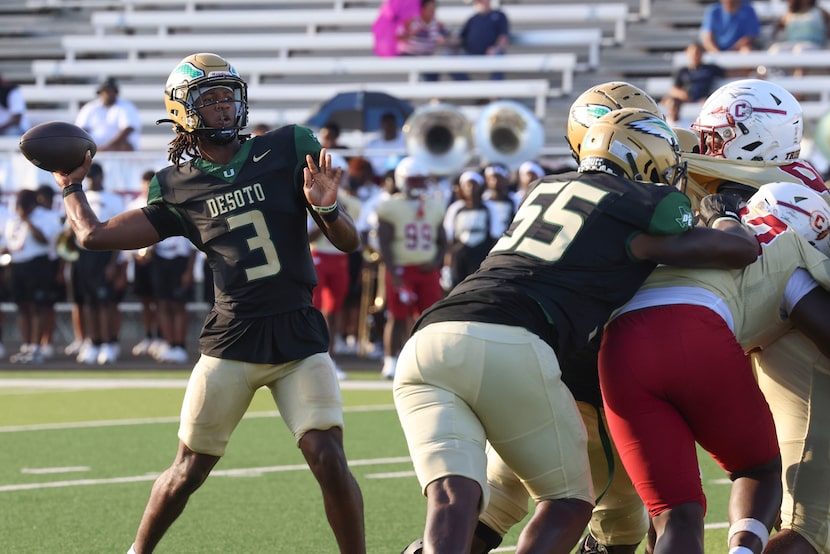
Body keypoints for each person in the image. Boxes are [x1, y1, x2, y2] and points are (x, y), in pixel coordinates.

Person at [392, 107, 759, 554]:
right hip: (513, 341)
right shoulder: (641, 206)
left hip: (429, 339)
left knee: (456, 498)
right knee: (568, 503)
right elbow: (737, 250)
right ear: (645, 158)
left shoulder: (541, 188)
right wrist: (726, 213)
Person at [49, 52, 365, 553]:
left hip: (298, 335)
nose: (222, 108)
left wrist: (326, 208)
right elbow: (92, 235)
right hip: (232, 342)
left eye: (227, 96)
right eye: (209, 99)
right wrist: (71, 185)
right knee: (188, 469)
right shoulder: (175, 185)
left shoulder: (289, 146)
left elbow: (348, 243)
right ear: (183, 112)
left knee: (328, 455)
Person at [599, 183, 830, 554]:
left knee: (675, 513)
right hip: (694, 332)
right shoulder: (786, 250)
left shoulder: (703, 232)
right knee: (758, 470)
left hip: (618, 349)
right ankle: (741, 550)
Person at [687, 79, 830, 554]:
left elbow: (784, 276)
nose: (705, 142)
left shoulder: (776, 196)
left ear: (751, 137)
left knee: (804, 521)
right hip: (772, 343)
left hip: (790, 347)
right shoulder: (788, 179)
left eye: (716, 134)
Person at [375, 155, 446, 379]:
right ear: (402, 180)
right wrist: (393, 270)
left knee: (428, 318)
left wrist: (436, 262)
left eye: (420, 180)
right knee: (396, 317)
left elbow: (442, 240)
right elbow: (384, 242)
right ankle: (390, 360)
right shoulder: (389, 206)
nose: (418, 185)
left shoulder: (434, 205)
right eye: (414, 180)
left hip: (427, 270)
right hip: (402, 270)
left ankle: (426, 359)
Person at [308, 152, 362, 379]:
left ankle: (329, 358)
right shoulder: (309, 196)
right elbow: (310, 236)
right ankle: (313, 357)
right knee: (315, 310)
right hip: (317, 255)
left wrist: (330, 212)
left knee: (334, 309)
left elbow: (349, 236)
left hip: (339, 256)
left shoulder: (352, 203)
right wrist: (325, 212)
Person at [72, 162, 126, 365]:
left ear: (102, 177)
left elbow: (120, 232)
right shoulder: (81, 197)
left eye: (96, 177)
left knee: (105, 303)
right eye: (90, 177)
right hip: (84, 255)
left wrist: (114, 263)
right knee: (88, 302)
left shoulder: (114, 200)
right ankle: (93, 341)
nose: (93, 181)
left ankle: (108, 342)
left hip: (106, 254)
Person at [4, 189, 62, 364]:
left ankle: (38, 346)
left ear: (31, 205)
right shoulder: (12, 221)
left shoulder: (45, 217)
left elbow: (45, 241)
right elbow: (11, 244)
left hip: (38, 265)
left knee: (38, 307)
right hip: (18, 265)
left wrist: (27, 221)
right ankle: (26, 345)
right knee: (22, 307)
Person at [441, 169, 493, 291]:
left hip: (482, 253)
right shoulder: (455, 208)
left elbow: (495, 235)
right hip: (460, 254)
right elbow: (449, 239)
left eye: (474, 184)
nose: (471, 188)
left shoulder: (489, 207)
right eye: (467, 185)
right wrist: (447, 266)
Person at [661, 42, 725, 126]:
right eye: (693, 52)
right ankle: (673, 125)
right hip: (685, 100)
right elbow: (674, 89)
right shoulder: (682, 71)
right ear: (687, 53)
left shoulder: (711, 69)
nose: (695, 55)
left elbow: (730, 74)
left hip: (704, 99)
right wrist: (684, 95)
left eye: (698, 52)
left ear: (702, 53)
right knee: (670, 101)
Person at [75, 77, 141, 152]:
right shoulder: (90, 107)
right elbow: (81, 129)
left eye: (110, 91)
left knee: (124, 145)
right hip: (95, 145)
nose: (107, 94)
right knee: (79, 142)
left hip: (116, 147)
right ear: (100, 93)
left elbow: (127, 129)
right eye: (105, 91)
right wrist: (92, 146)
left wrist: (107, 147)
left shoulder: (126, 106)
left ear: (115, 92)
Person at [454, 0, 510, 80]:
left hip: (492, 54)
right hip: (471, 55)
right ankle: (469, 88)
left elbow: (504, 37)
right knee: (450, 60)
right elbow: (460, 38)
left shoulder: (499, 15)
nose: (481, 2)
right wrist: (447, 41)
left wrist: (495, 48)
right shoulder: (472, 19)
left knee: (499, 56)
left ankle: (496, 90)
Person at [397, 0, 450, 81]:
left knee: (433, 71)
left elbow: (450, 37)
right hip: (409, 55)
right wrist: (410, 34)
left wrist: (444, 41)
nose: (432, 11)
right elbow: (397, 37)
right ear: (422, 9)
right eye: (430, 8)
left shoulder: (438, 25)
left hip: (427, 56)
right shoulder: (411, 22)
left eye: (434, 8)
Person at [364, 111, 406, 178]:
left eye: (391, 124)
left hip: (399, 178)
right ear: (382, 125)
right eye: (387, 124)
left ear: (395, 124)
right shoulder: (372, 145)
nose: (389, 127)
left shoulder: (405, 142)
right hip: (376, 179)